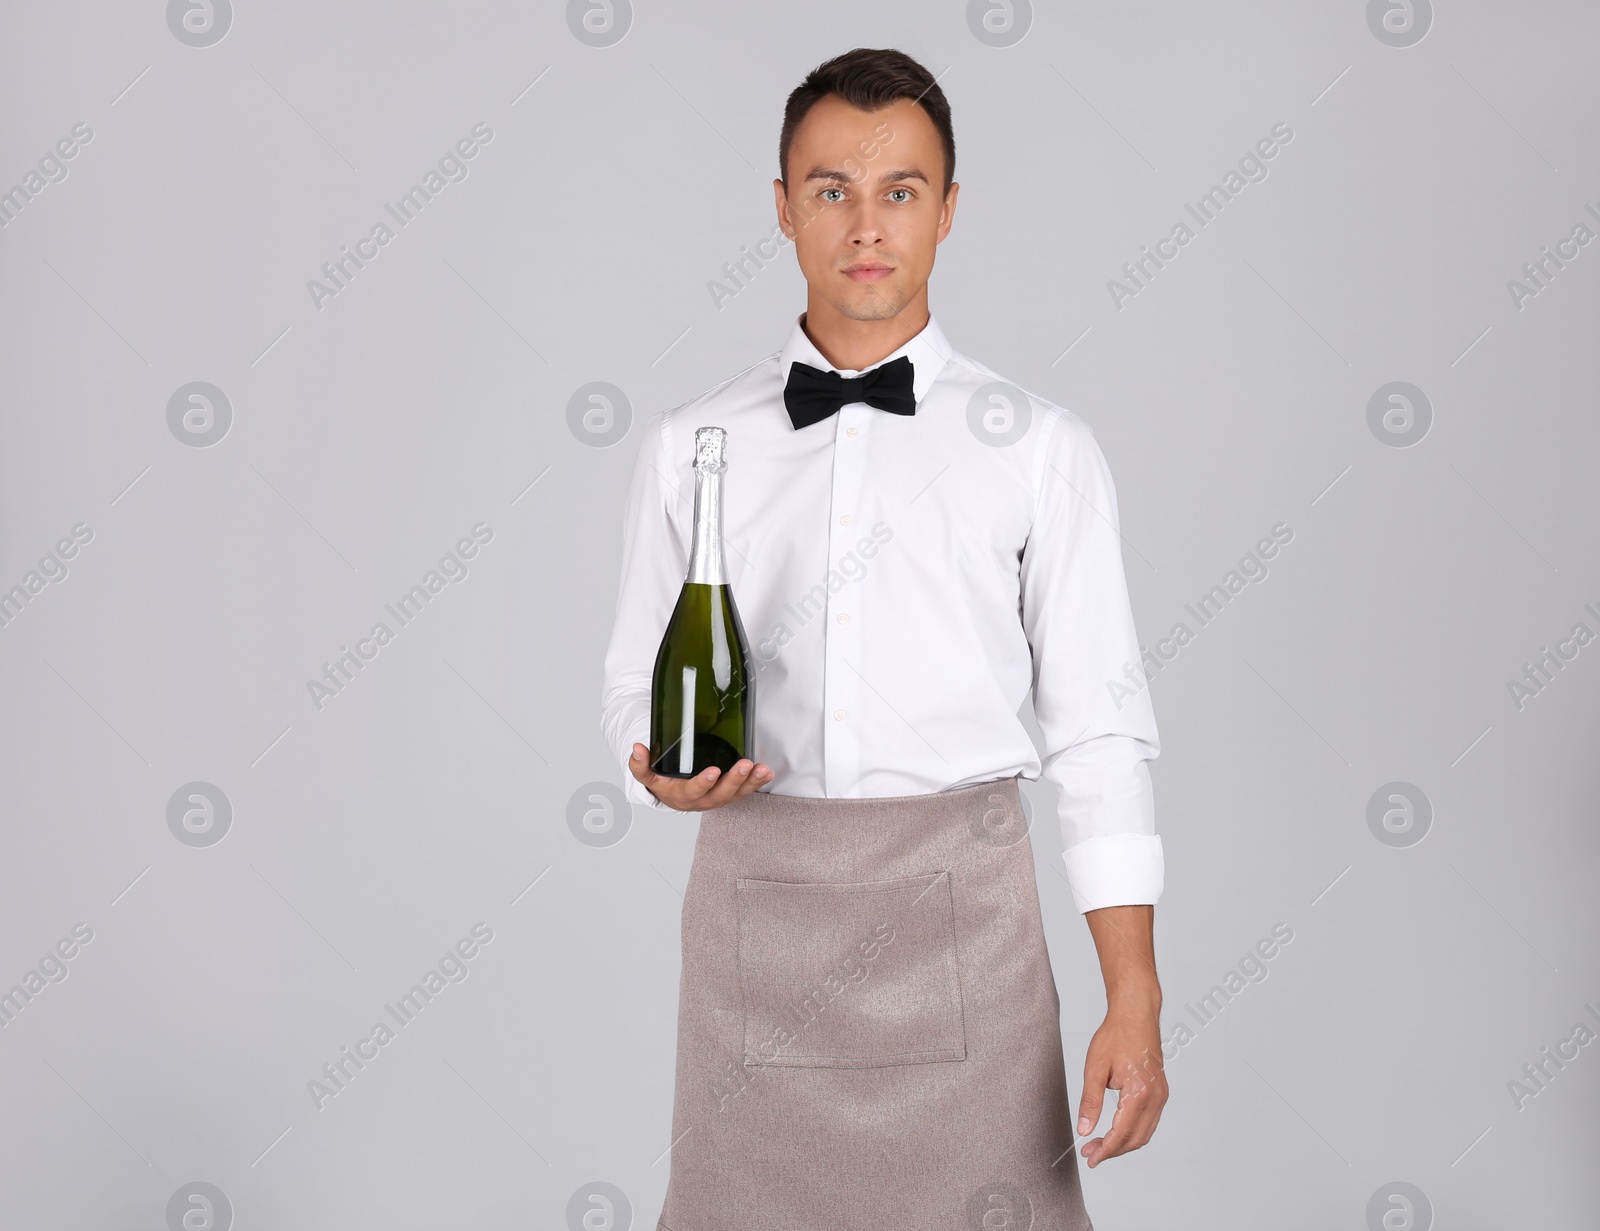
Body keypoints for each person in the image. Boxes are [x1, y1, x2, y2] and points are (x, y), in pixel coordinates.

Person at [600, 46, 1167, 1231]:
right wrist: (656, 775)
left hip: (968, 923)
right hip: (756, 915)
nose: (867, 226)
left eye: (900, 191)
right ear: (781, 206)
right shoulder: (690, 443)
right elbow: (631, 693)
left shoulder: (1039, 447)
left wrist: (1133, 992)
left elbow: (1098, 732)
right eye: (831, 190)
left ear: (948, 211)